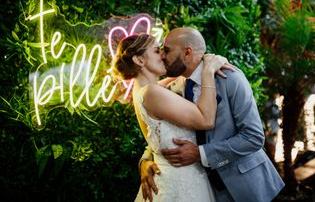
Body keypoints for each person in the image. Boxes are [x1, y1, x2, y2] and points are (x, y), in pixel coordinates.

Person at [139, 27, 285, 202]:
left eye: (167, 50)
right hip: (206, 191)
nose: (162, 55)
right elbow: (164, 130)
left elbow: (253, 137)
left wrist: (201, 154)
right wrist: (145, 160)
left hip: (248, 186)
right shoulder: (175, 87)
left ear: (187, 53)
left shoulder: (231, 78)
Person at [112, 33, 234, 202]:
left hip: (174, 177)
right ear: (139, 60)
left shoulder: (145, 89)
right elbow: (206, 120)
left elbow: (184, 71)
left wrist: (205, 58)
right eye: (156, 51)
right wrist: (208, 71)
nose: (162, 55)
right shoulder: (152, 93)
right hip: (180, 183)